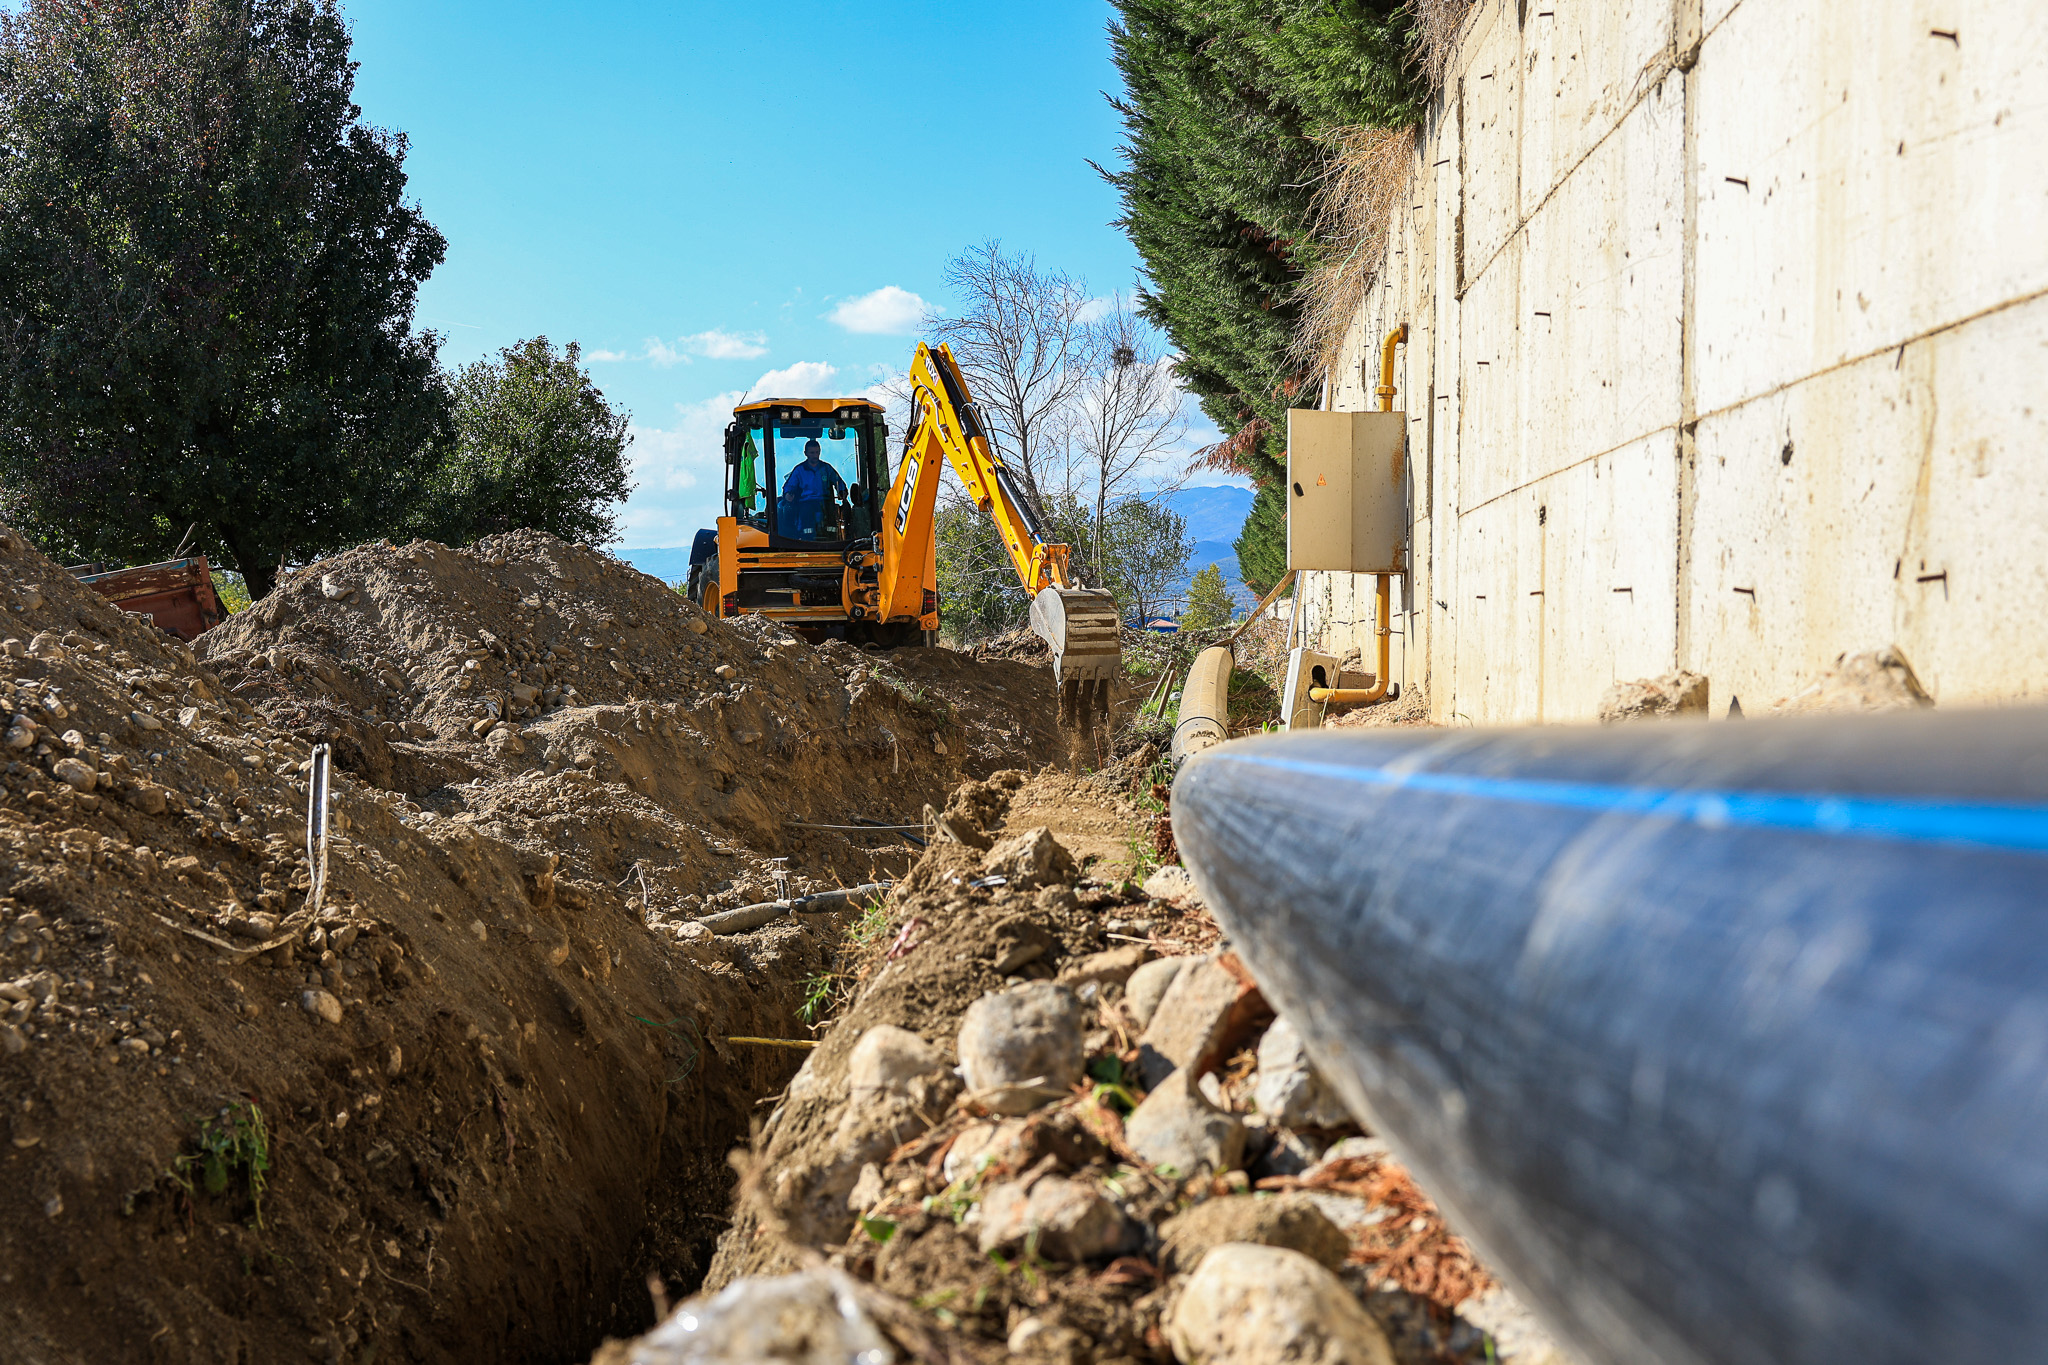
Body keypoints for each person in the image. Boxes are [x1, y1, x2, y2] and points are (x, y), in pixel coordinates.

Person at [779, 437, 847, 539]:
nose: (815, 455)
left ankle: (832, 537)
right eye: (812, 453)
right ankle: (806, 538)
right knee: (805, 515)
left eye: (817, 452)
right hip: (806, 502)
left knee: (832, 517)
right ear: (805, 453)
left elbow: (838, 481)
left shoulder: (826, 468)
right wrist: (788, 494)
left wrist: (842, 491)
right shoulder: (799, 470)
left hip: (825, 502)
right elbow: (789, 486)